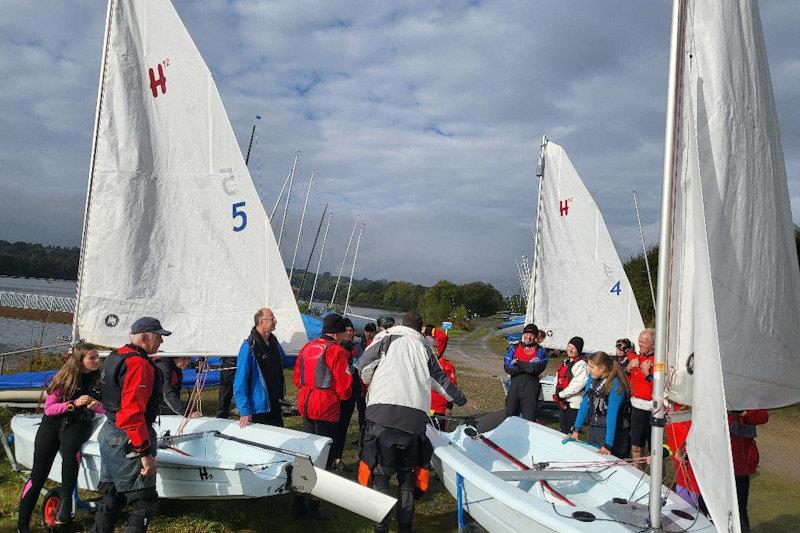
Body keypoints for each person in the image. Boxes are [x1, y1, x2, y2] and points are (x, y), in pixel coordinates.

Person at [358, 312, 467, 533]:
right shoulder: (425, 346)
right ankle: (406, 526)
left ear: (401, 324)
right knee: (407, 475)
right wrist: (459, 398)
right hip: (413, 420)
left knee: (381, 472)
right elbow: (441, 380)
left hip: (381, 415)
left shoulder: (385, 337)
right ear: (419, 330)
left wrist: (372, 383)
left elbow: (364, 366)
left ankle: (381, 525)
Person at [91, 317, 169, 533]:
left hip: (109, 432)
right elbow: (132, 413)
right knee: (144, 503)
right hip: (127, 437)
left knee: (112, 496)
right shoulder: (138, 364)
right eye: (158, 337)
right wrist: (145, 452)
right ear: (144, 337)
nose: (161, 342)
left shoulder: (116, 356)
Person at [17, 343, 103, 531]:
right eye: (93, 358)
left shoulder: (98, 380)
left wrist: (96, 406)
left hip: (79, 423)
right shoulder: (63, 379)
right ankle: (22, 524)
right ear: (80, 361)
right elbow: (49, 409)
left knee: (71, 449)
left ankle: (66, 503)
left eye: (98, 357)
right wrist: (72, 404)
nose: (97, 361)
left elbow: (105, 409)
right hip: (53, 424)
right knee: (38, 475)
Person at [293, 313, 353, 519]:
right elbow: (344, 386)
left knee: (306, 453)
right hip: (325, 405)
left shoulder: (308, 347)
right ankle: (313, 507)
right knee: (323, 457)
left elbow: (297, 378)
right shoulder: (336, 351)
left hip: (307, 401)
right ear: (338, 333)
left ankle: (298, 502)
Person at [234, 308, 288, 428]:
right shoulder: (249, 347)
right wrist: (244, 409)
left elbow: (283, 361)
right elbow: (240, 380)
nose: (275, 321)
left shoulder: (273, 342)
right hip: (259, 407)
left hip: (275, 402)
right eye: (272, 318)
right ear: (261, 322)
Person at [570, 351, 631, 458]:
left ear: (602, 368)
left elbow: (612, 415)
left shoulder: (616, 385)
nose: (589, 370)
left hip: (614, 433)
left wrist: (608, 444)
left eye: (592, 367)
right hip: (595, 428)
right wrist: (576, 429)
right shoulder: (592, 379)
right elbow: (584, 404)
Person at [729, 409, 769, 532]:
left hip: (740, 468)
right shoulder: (718, 398)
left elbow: (763, 417)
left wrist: (744, 412)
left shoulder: (750, 399)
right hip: (720, 465)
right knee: (717, 506)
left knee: (740, 509)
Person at [504, 324, 548, 422]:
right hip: (515, 387)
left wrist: (518, 363)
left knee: (529, 418)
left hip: (531, 389)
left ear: (536, 337)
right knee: (510, 416)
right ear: (523, 334)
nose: (528, 337)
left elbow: (536, 368)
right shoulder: (513, 348)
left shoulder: (541, 352)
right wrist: (527, 365)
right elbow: (508, 368)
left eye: (532, 334)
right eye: (527, 334)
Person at [332, 317, 360, 472]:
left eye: (351, 330)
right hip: (337, 393)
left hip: (351, 391)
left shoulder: (355, 348)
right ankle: (331, 457)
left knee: (343, 426)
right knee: (333, 426)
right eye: (346, 330)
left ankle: (338, 457)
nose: (348, 333)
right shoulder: (335, 348)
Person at [628, 329, 655, 466]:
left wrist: (646, 373)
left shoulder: (659, 361)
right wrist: (628, 368)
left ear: (653, 345)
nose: (640, 344)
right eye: (639, 341)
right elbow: (627, 378)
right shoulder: (636, 358)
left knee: (655, 450)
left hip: (654, 410)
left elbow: (663, 386)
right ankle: (636, 475)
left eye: (643, 342)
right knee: (636, 447)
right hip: (637, 407)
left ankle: (657, 481)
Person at [554, 337, 588, 434]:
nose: (570, 350)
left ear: (579, 350)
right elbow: (557, 378)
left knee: (571, 432)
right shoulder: (565, 362)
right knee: (563, 431)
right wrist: (556, 392)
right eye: (569, 346)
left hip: (574, 405)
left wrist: (561, 394)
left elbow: (577, 385)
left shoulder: (581, 365)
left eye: (574, 348)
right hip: (563, 402)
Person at [429, 333, 458, 432]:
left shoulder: (447, 366)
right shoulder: (420, 363)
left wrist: (449, 407)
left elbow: (452, 387)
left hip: (440, 409)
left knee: (440, 436)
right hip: (423, 407)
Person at [214, 354, 237, 418]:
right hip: (228, 365)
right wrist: (201, 359)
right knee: (223, 400)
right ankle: (221, 419)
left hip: (242, 362)